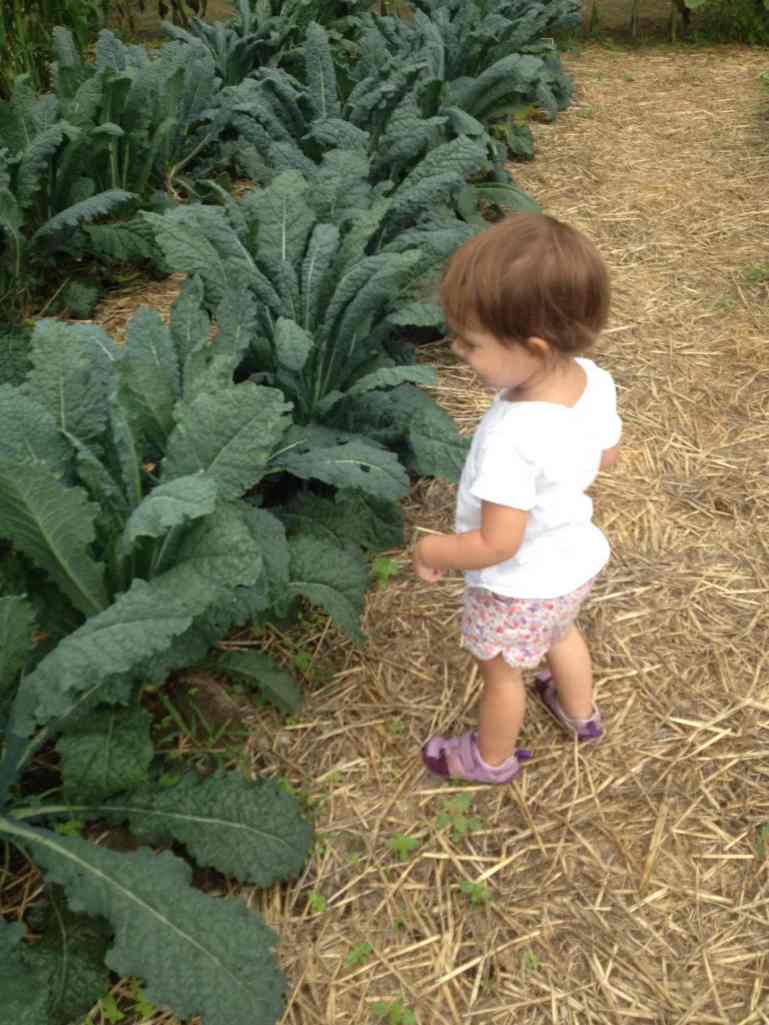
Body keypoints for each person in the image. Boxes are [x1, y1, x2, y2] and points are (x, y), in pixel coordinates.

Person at [413, 212, 621, 785]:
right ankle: (581, 715)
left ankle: (489, 758)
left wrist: (434, 549)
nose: (457, 350)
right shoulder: (594, 381)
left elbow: (497, 544)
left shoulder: (511, 436)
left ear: (533, 347)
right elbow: (607, 455)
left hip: (517, 586)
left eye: (473, 344)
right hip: (572, 565)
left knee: (503, 675)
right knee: (560, 634)